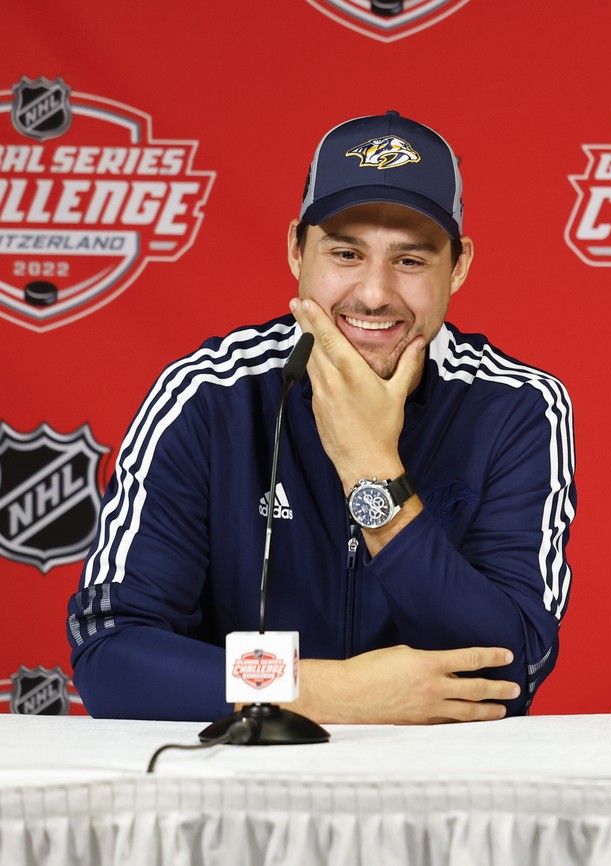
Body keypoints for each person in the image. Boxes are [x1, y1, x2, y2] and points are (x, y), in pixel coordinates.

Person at [66, 111, 575, 724]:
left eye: (410, 261)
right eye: (345, 253)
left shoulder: (517, 405)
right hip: (239, 787)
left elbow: (506, 670)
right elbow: (113, 657)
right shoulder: (207, 394)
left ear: (459, 266)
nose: (374, 294)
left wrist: (372, 468)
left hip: (440, 794)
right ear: (295, 251)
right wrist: (328, 693)